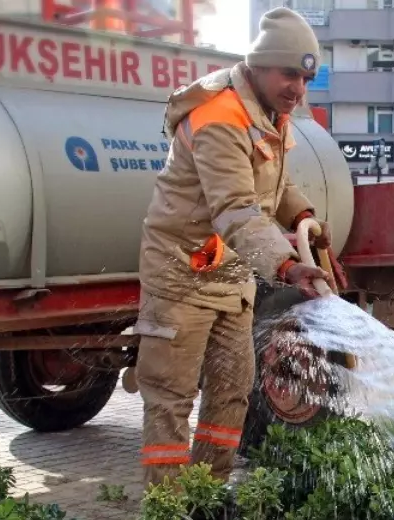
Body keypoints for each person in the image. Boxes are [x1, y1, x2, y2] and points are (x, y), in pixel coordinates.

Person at [135, 7, 330, 489]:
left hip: (229, 276)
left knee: (231, 393)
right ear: (260, 66)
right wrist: (286, 266)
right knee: (171, 399)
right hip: (181, 276)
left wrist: (302, 215)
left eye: (306, 79)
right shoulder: (221, 115)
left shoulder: (269, 113)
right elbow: (236, 207)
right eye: (290, 74)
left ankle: (206, 498)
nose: (298, 89)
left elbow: (272, 185)